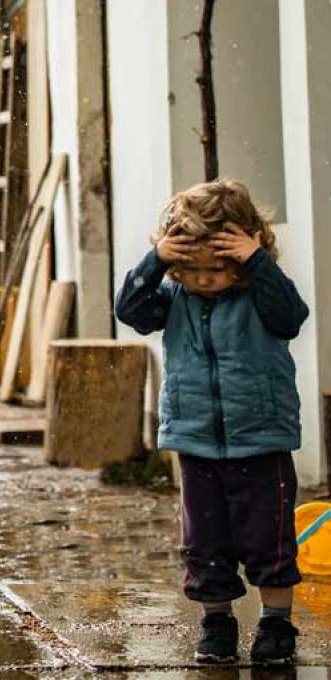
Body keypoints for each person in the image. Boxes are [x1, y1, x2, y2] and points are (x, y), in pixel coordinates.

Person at [115, 180, 308, 666]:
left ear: (243, 253)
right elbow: (129, 311)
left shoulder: (262, 295)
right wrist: (156, 260)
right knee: (205, 542)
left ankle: (276, 623)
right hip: (196, 440)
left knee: (270, 539)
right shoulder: (173, 297)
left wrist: (258, 262)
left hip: (260, 439)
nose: (203, 280)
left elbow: (292, 317)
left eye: (217, 269)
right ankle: (217, 621)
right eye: (191, 270)